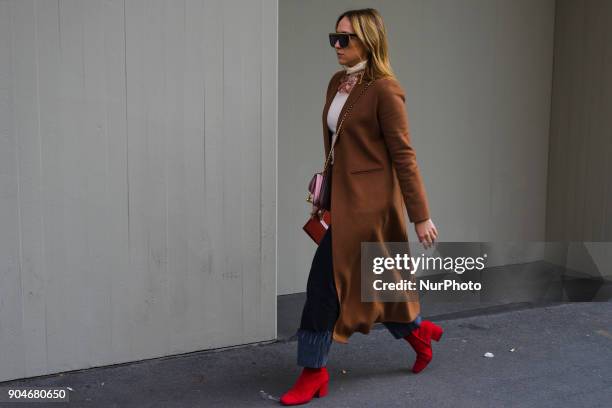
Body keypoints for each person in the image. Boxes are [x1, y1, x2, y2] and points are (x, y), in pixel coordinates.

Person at [280, 8, 442, 406]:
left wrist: (420, 216)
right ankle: (419, 335)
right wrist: (327, 197)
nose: (337, 46)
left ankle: (313, 371)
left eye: (345, 39)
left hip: (369, 210)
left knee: (324, 285)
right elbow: (337, 148)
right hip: (344, 203)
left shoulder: (385, 90)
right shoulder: (339, 82)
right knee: (375, 286)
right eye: (333, 38)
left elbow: (404, 156)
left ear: (368, 40)